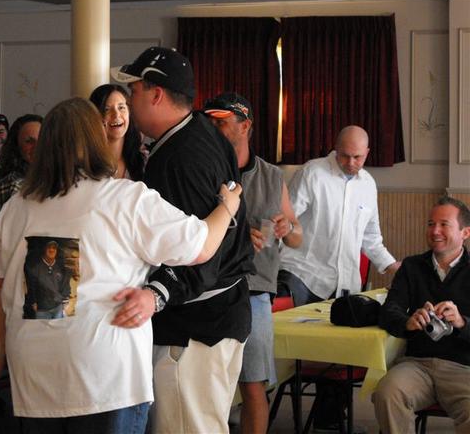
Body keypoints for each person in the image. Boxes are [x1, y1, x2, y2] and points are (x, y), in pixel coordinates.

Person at [0, 98, 242, 434]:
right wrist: (227, 208)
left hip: (35, 372)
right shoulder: (124, 199)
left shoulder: (15, 209)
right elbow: (201, 247)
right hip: (106, 376)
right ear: (96, 141)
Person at [111, 47, 255, 434]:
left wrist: (156, 294)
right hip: (219, 316)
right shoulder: (203, 133)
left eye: (134, 91)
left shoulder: (181, 157)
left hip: (195, 328)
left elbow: (199, 254)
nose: (129, 102)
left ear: (156, 94)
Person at [204, 92, 302, 434]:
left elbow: (298, 236)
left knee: (254, 385)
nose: (213, 128)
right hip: (211, 287)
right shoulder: (204, 170)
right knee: (209, 384)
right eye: (210, 122)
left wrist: (287, 228)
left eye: (221, 122)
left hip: (255, 290)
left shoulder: (272, 176)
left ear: (245, 126)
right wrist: (235, 235)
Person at [373, 196, 470, 433]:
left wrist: (461, 322)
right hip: (417, 364)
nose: (435, 231)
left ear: (465, 233)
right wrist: (408, 322)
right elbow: (389, 311)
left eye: (444, 224)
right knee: (387, 393)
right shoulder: (412, 266)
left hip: (464, 367)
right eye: (430, 224)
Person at [279, 125, 401, 306]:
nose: (350, 162)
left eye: (357, 157)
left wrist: (392, 266)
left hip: (344, 285)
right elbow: (284, 221)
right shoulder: (312, 173)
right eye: (345, 155)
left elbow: (371, 238)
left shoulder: (368, 184)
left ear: (367, 153)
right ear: (336, 148)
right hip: (302, 276)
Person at [89, 84, 145, 181]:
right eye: (106, 109)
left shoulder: (144, 160)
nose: (116, 115)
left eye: (121, 107)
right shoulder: (86, 163)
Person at [0, 114, 42, 212]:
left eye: (42, 139)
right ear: (16, 147)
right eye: (29, 141)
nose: (37, 146)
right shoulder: (14, 186)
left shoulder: (55, 178)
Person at [24, 240, 72, 319]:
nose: (51, 250)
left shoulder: (60, 267)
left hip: (58, 308)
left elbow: (65, 284)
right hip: (42, 310)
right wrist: (33, 302)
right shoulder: (35, 268)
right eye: (49, 247)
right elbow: (31, 286)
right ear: (44, 250)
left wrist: (65, 301)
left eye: (54, 248)